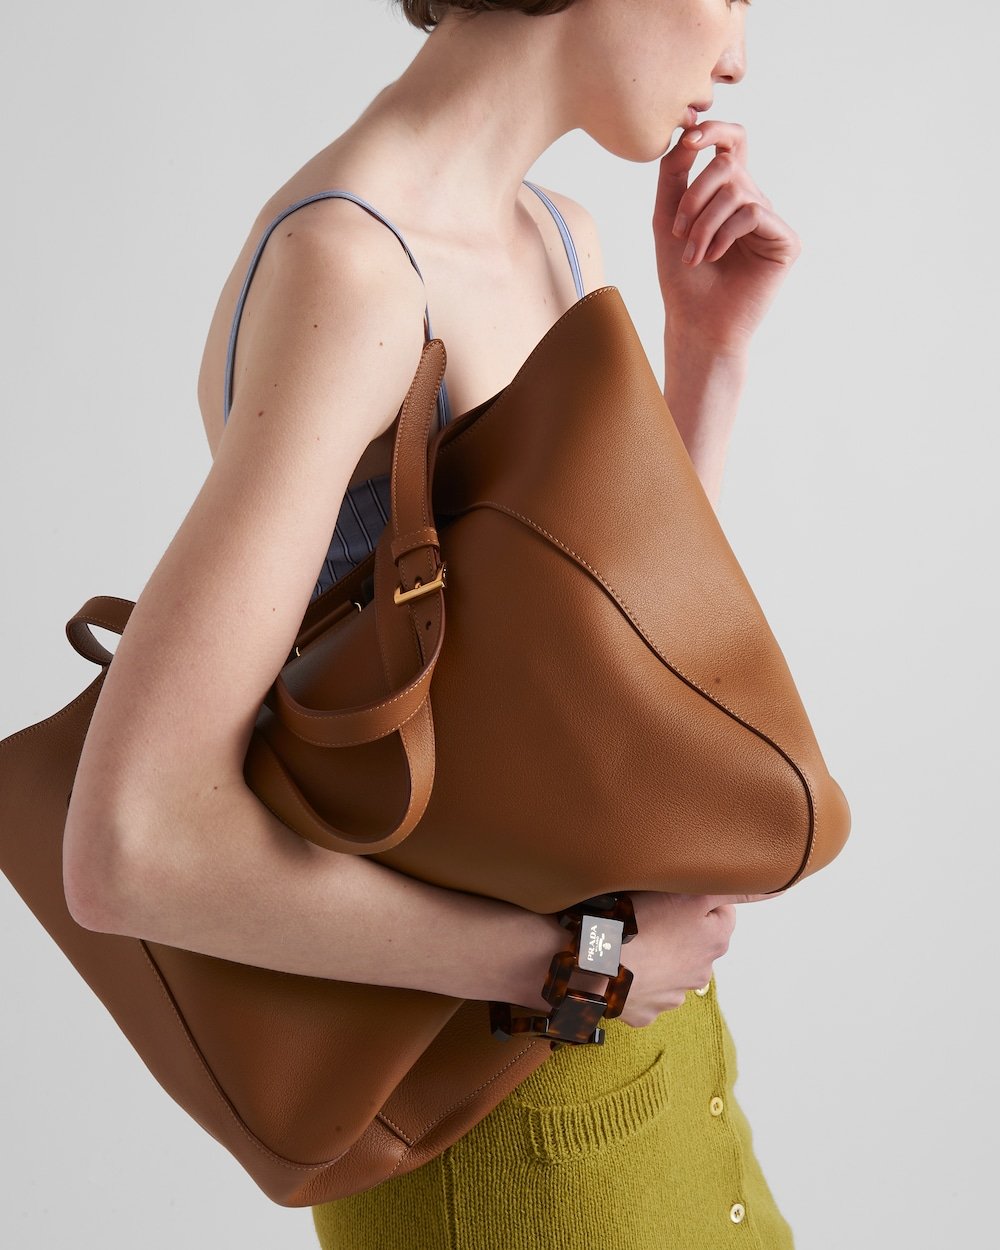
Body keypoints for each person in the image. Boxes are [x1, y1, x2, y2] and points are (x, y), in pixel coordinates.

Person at [62, 0, 804, 1245]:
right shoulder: (351, 269)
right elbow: (130, 844)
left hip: (663, 1080)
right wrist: (585, 961)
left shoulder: (555, 233)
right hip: (497, 1142)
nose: (735, 55)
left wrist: (705, 353)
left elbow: (619, 661)